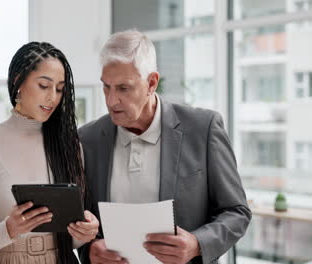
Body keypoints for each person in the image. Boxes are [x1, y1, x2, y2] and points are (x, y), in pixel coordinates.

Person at [78, 30, 251, 264]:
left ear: (151, 83)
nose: (111, 100)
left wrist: (197, 244)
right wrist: (90, 249)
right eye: (106, 86)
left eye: (123, 88)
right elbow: (81, 221)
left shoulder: (203, 128)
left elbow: (236, 211)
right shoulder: (87, 139)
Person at [0, 42, 100, 264]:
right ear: (18, 81)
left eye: (59, 89)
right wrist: (10, 228)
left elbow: (70, 241)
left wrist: (83, 232)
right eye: (44, 86)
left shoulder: (69, 145)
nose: (53, 98)